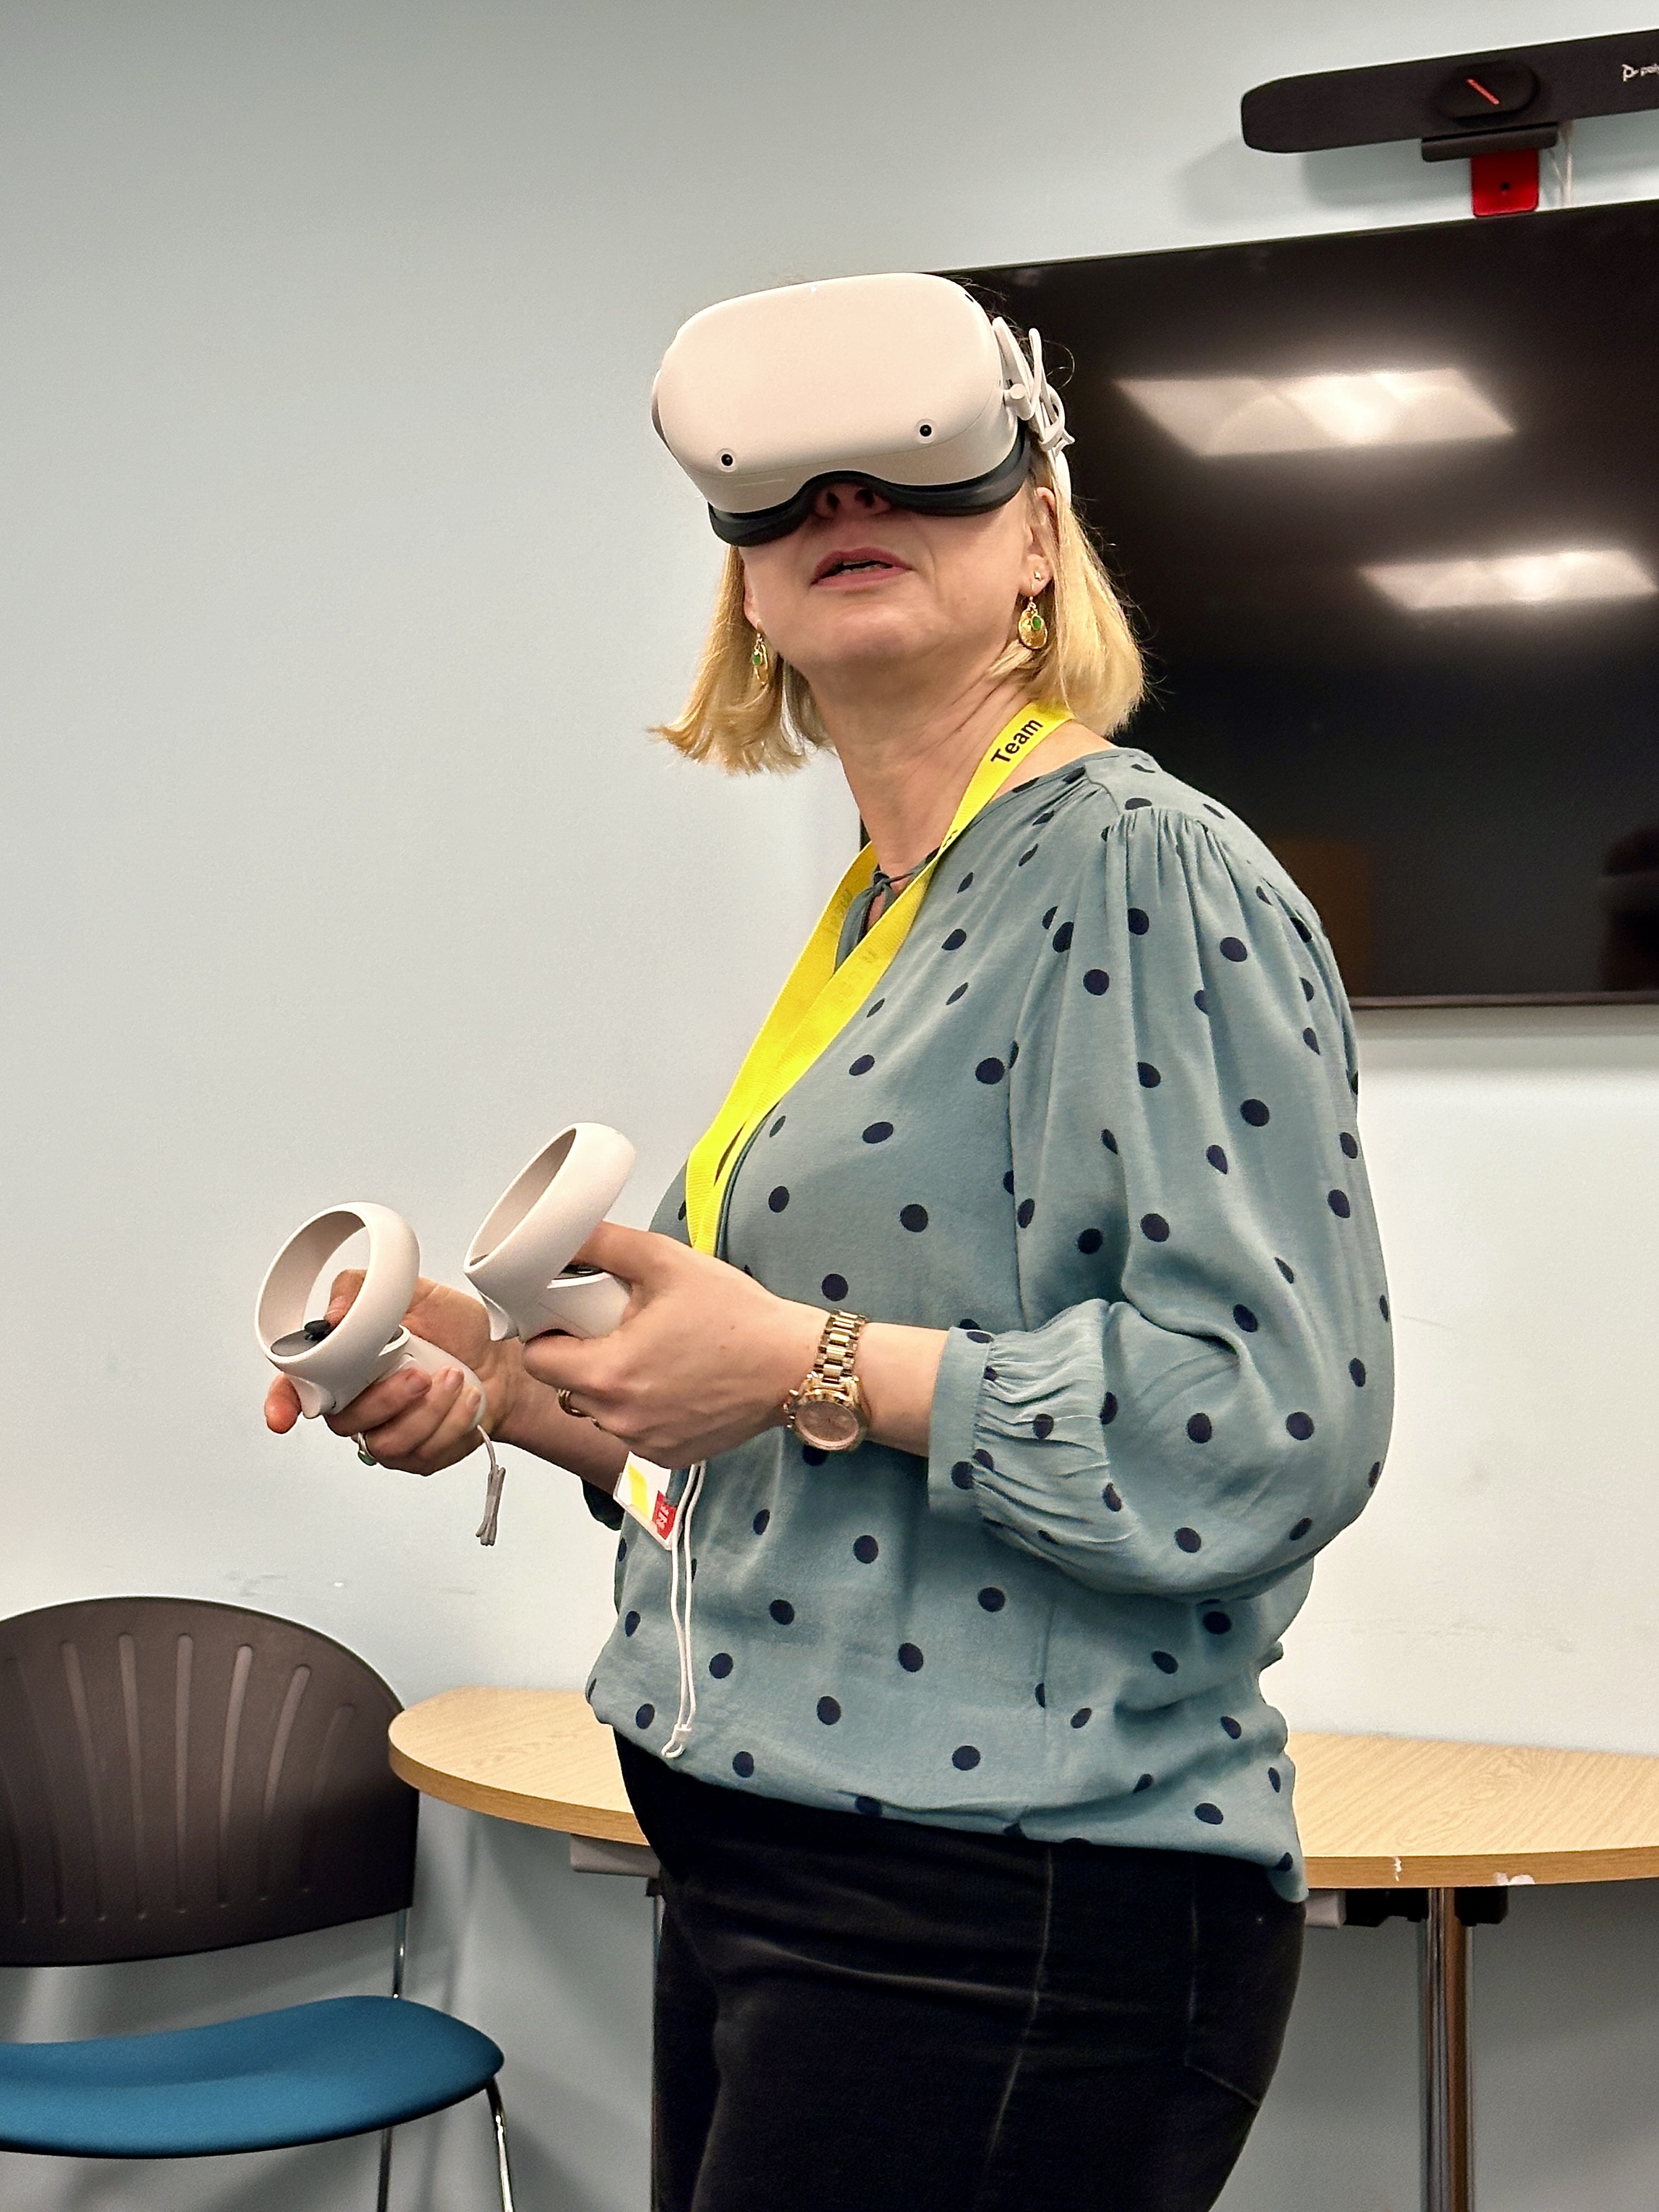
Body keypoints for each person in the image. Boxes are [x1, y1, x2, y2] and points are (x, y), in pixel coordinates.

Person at [266, 274, 1393, 2212]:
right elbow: (798, 1448)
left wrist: (803, 1361)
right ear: (745, 591)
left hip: (999, 1899)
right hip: (761, 1845)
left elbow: (1275, 1421)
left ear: (1039, 528)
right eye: (775, 499)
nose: (840, 505)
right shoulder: (890, 909)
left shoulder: (1134, 863)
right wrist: (514, 1385)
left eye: (921, 474)